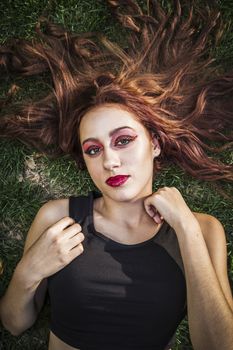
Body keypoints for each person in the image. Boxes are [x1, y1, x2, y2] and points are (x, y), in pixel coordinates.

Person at [0, 0, 233, 349]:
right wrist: (29, 271)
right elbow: (14, 324)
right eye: (93, 149)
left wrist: (185, 228)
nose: (110, 160)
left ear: (154, 144)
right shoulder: (58, 219)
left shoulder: (202, 229)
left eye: (123, 140)